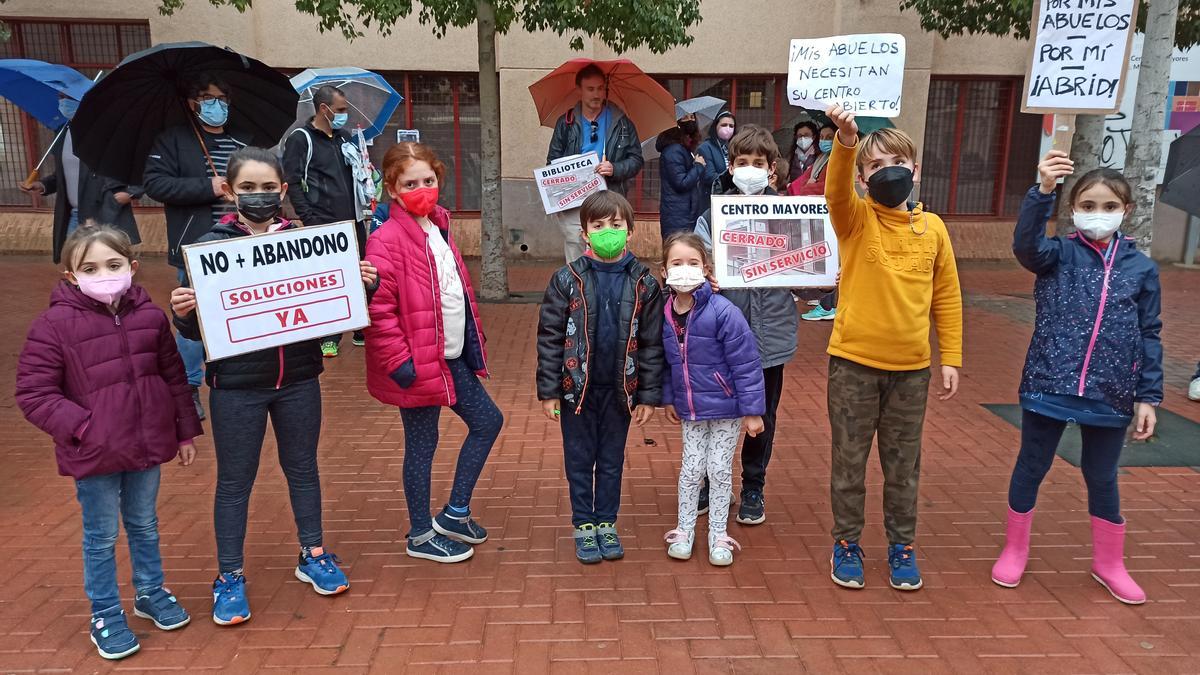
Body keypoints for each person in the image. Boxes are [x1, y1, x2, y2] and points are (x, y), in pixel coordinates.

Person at [170, 147, 370, 625]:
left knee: (303, 470)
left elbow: (331, 317)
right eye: (248, 188)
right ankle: (229, 577)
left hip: (299, 379)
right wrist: (184, 317)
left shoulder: (309, 241)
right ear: (231, 191)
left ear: (282, 190)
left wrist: (363, 285)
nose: (258, 196)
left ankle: (313, 553)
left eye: (267, 188)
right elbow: (202, 333)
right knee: (235, 484)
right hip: (236, 388)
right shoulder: (208, 247)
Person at [16, 225, 201, 660]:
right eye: (90, 268)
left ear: (132, 267)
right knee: (100, 537)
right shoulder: (52, 326)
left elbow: (175, 377)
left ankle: (150, 592)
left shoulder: (151, 318)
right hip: (94, 453)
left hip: (146, 446)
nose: (104, 274)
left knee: (144, 524)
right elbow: (34, 393)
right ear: (70, 275)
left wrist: (184, 429)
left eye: (113, 265)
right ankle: (105, 612)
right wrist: (83, 427)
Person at [992, 151, 1163, 605]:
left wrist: (1149, 396)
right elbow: (1026, 246)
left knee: (1102, 476)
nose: (1099, 214)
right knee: (1032, 465)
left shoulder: (1142, 269)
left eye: (1110, 207)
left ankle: (1109, 563)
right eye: (1089, 205)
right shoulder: (1057, 254)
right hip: (1050, 380)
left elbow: (1150, 333)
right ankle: (1015, 547)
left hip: (1111, 391)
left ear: (1126, 211)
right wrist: (1042, 191)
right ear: (1074, 209)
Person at [824, 106, 963, 592]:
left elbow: (947, 295)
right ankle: (846, 544)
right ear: (863, 179)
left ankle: (902, 547)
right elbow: (834, 192)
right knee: (849, 463)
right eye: (875, 167)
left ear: (915, 169)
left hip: (912, 372)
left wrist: (952, 357)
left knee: (904, 467)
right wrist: (845, 142)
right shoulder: (855, 219)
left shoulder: (936, 230)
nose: (888, 173)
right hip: (853, 367)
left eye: (896, 162)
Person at [364, 142, 503, 564]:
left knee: (487, 421)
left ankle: (455, 513)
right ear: (392, 189)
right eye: (411, 183)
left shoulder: (438, 226)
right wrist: (400, 365)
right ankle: (421, 533)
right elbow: (379, 311)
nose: (423, 188)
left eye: (429, 180)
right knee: (423, 445)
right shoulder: (384, 240)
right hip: (417, 362)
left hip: (450, 354)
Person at [536, 190, 664, 564]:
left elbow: (653, 343)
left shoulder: (645, 283)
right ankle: (584, 526)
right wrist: (549, 391)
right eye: (598, 225)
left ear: (630, 231)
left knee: (611, 460)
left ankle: (606, 522)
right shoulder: (566, 279)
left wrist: (649, 395)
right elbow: (550, 338)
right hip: (576, 391)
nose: (608, 231)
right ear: (585, 233)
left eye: (616, 224)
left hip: (622, 393)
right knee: (578, 459)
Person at [694, 125, 799, 527]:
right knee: (713, 413)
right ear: (731, 166)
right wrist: (705, 278)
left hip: (770, 335)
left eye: (759, 163)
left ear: (772, 170)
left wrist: (820, 279)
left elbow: (806, 281)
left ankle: (754, 486)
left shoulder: (792, 215)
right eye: (742, 163)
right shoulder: (711, 216)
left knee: (762, 416)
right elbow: (694, 269)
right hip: (721, 336)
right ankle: (706, 479)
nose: (750, 170)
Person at [144, 73, 249, 422]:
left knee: (238, 312)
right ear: (193, 102)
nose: (216, 105)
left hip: (241, 244)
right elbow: (156, 184)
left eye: (222, 98)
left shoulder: (242, 142)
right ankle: (189, 387)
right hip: (195, 248)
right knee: (192, 319)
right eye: (208, 98)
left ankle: (236, 376)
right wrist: (209, 187)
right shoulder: (173, 141)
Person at [660, 232, 765, 566]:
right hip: (691, 409)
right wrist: (669, 398)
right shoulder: (663, 312)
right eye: (677, 263)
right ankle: (684, 529)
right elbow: (666, 362)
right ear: (664, 271)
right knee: (691, 469)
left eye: (693, 263)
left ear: (706, 269)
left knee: (719, 468)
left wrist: (752, 411)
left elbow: (746, 363)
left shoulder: (724, 312)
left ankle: (718, 532)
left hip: (726, 408)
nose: (684, 269)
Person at [283, 85, 369, 356]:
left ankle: (360, 327)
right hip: (323, 224)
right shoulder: (301, 139)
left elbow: (353, 172)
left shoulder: (343, 137)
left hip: (353, 220)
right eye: (340, 110)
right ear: (324, 109)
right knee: (329, 280)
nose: (343, 115)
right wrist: (309, 220)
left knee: (359, 274)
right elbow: (293, 182)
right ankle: (328, 336)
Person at [19, 97, 143, 264]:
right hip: (74, 214)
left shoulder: (108, 133)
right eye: (61, 99)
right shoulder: (62, 133)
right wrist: (42, 184)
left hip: (105, 212)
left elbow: (139, 164)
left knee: (108, 265)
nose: (63, 104)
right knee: (76, 264)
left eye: (69, 99)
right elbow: (63, 174)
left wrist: (130, 192)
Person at [546, 63, 644, 263]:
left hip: (610, 195)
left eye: (600, 88)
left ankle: (609, 290)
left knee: (611, 247)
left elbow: (636, 160)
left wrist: (615, 168)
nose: (596, 94)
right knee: (575, 245)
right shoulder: (566, 122)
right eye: (590, 89)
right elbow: (551, 162)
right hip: (574, 200)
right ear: (579, 90)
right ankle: (577, 290)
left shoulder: (622, 122)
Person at [657, 115, 705, 241]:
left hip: (683, 213)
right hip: (677, 215)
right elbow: (681, 183)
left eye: (692, 116)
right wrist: (698, 166)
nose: (690, 120)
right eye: (685, 117)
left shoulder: (682, 149)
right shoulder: (674, 151)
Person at [787, 122, 837, 197]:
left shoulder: (839, 160)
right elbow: (802, 180)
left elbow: (832, 186)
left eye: (829, 138)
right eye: (822, 137)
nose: (824, 140)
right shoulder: (821, 158)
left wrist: (808, 187)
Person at [696, 110, 735, 202]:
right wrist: (734, 179)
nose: (728, 128)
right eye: (724, 125)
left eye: (731, 126)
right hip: (711, 199)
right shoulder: (705, 148)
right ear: (715, 126)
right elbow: (709, 176)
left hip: (731, 199)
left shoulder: (732, 146)